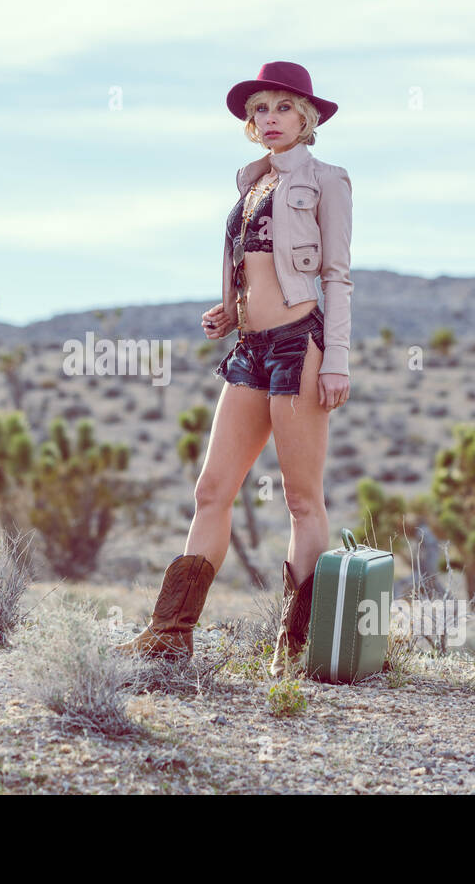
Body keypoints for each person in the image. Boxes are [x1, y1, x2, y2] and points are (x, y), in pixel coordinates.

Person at [116, 61, 353, 677]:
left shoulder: (327, 180)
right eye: (259, 111)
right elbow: (253, 266)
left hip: (302, 347)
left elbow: (336, 276)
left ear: (307, 116)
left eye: (280, 107)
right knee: (211, 490)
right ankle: (170, 634)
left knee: (302, 500)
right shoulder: (249, 186)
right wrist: (230, 308)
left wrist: (339, 363)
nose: (268, 119)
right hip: (249, 349)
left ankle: (294, 649)